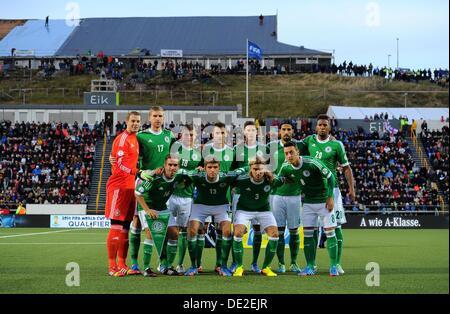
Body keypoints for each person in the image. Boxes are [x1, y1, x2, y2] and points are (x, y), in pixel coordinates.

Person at [110, 106, 176, 274]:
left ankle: (163, 263)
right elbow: (124, 154)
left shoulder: (170, 136)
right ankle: (133, 263)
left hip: (163, 186)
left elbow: (177, 155)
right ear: (150, 118)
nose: (158, 119)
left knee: (162, 226)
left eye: (161, 116)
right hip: (144, 183)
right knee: (137, 223)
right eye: (155, 116)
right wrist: (113, 158)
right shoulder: (140, 136)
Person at [301, 114, 355, 274]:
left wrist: (352, 188)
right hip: (313, 190)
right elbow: (296, 154)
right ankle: (311, 264)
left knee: (335, 226)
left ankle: (336, 263)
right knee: (312, 229)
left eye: (325, 125)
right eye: (320, 125)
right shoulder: (309, 141)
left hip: (332, 190)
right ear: (316, 127)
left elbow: (346, 168)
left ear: (329, 127)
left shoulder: (337, 145)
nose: (322, 127)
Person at [279, 142, 339, 276]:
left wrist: (330, 197)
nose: (289, 155)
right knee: (307, 236)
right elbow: (279, 179)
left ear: (297, 152)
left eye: (291, 152)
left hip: (324, 202)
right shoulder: (286, 168)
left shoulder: (312, 162)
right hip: (308, 204)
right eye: (286, 153)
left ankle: (333, 266)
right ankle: (310, 266)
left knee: (330, 232)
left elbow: (330, 177)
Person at [183, 156, 245, 276]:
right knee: (191, 231)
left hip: (220, 206)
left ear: (219, 168)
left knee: (227, 231)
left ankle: (223, 266)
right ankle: (193, 266)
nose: (212, 170)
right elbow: (181, 172)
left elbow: (244, 169)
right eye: (209, 167)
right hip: (200, 206)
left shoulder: (226, 175)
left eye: (215, 167)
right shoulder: (197, 175)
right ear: (205, 168)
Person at [231, 157, 288, 277]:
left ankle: (266, 267)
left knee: (274, 235)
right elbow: (228, 180)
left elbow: (285, 179)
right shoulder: (242, 179)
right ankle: (239, 267)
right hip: (244, 210)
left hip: (263, 210)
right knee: (238, 233)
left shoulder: (271, 179)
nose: (258, 172)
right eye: (255, 169)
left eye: (260, 169)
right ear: (250, 169)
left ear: (265, 169)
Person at [105, 111, 142, 277]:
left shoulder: (136, 138)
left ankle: (122, 264)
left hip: (130, 187)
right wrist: (136, 171)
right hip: (118, 186)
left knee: (126, 227)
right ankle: (112, 267)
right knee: (116, 226)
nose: (135, 123)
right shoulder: (122, 139)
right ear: (126, 121)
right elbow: (119, 163)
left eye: (138, 121)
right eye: (133, 121)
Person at [134, 154, 184, 277]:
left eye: (175, 165)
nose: (172, 168)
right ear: (164, 165)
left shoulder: (179, 176)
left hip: (162, 208)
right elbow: (137, 193)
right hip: (147, 206)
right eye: (170, 165)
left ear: (178, 167)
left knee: (174, 233)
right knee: (151, 234)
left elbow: (190, 176)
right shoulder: (155, 178)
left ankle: (166, 266)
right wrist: (147, 210)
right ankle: (146, 268)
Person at [267, 120, 307, 273]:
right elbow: (266, 168)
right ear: (279, 131)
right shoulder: (272, 148)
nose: (286, 132)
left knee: (294, 230)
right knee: (279, 231)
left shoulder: (299, 147)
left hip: (294, 195)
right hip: (277, 195)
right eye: (283, 129)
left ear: (292, 131)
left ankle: (294, 262)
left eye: (289, 129)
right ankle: (281, 263)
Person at [231, 121, 269, 273]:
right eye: (248, 130)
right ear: (244, 133)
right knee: (238, 230)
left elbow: (270, 169)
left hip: (259, 195)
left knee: (258, 229)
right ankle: (235, 263)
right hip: (241, 194)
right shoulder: (237, 149)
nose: (251, 132)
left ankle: (254, 263)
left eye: (254, 130)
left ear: (257, 132)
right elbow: (232, 171)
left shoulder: (264, 149)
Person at [168, 124, 202, 274]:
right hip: (171, 195)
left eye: (192, 135)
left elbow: (199, 173)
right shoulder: (175, 151)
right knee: (167, 230)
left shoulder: (198, 154)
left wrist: (196, 171)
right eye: (187, 134)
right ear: (181, 135)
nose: (190, 137)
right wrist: (189, 172)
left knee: (182, 231)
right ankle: (165, 263)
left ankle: (180, 264)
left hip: (187, 197)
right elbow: (172, 169)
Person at [201, 122, 235, 272]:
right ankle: (197, 264)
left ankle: (219, 263)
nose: (219, 135)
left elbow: (234, 174)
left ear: (225, 135)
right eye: (216, 133)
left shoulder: (232, 152)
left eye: (222, 133)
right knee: (202, 229)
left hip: (223, 198)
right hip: (205, 197)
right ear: (212, 135)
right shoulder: (204, 150)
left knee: (222, 230)